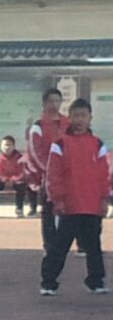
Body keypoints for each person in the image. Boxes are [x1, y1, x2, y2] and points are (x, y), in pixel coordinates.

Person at [38, 98, 108, 298]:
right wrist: (57, 199)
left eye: (83, 115)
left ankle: (95, 281)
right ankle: (48, 282)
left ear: (90, 118)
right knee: (59, 246)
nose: (79, 120)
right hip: (68, 206)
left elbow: (104, 174)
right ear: (70, 118)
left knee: (93, 246)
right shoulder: (60, 144)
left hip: (92, 205)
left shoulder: (98, 145)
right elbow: (53, 174)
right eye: (75, 115)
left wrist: (104, 199)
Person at [27, 87, 67, 246]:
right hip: (48, 177)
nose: (54, 104)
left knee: (73, 209)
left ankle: (79, 243)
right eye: (51, 101)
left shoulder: (68, 123)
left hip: (68, 175)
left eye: (57, 100)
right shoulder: (38, 126)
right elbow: (35, 152)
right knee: (49, 212)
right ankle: (50, 245)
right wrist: (50, 170)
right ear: (44, 103)